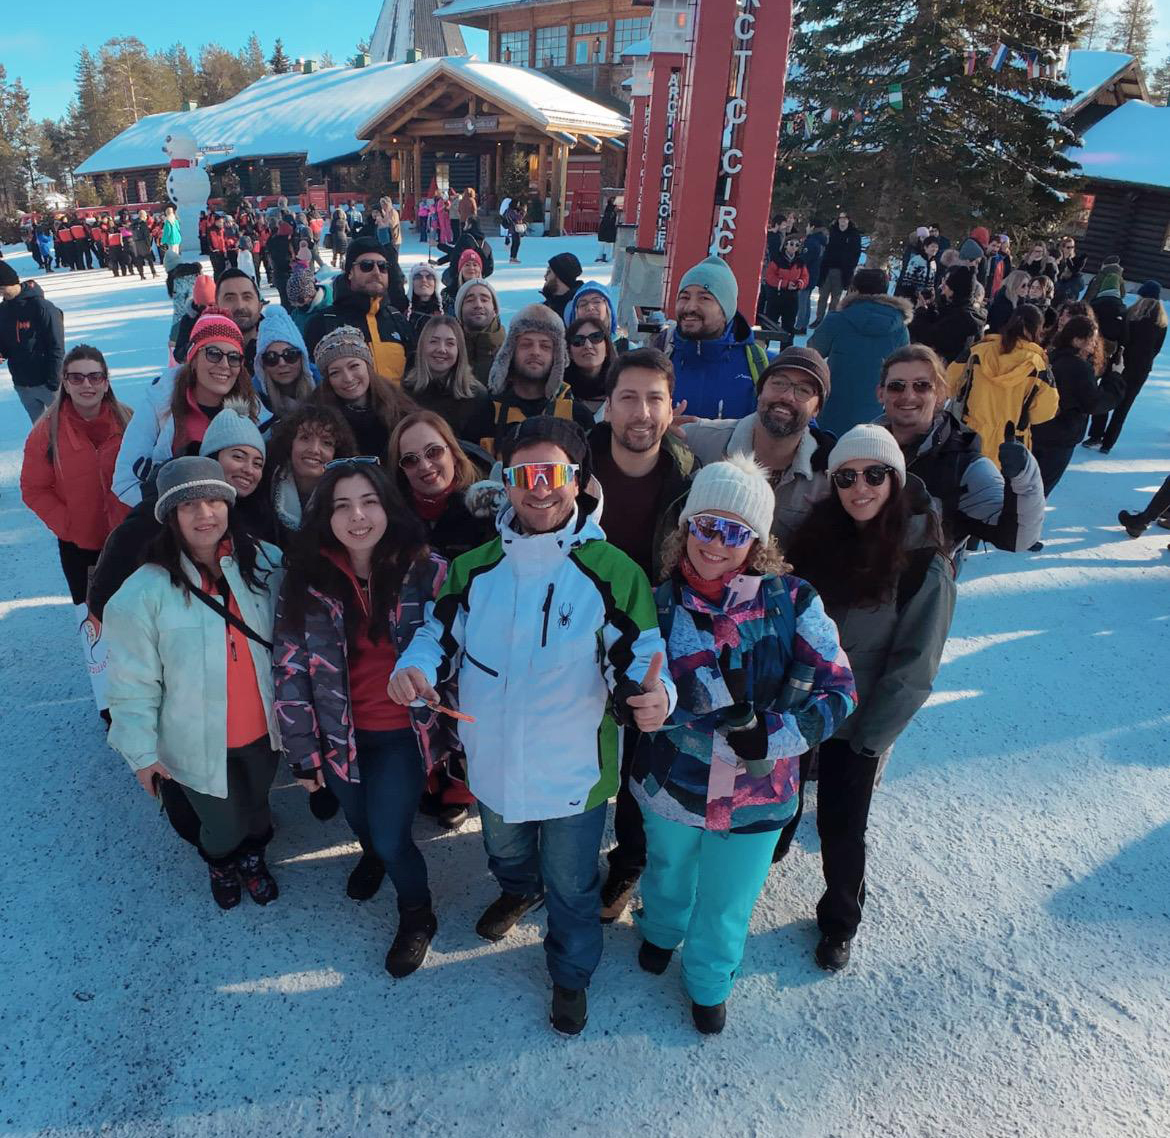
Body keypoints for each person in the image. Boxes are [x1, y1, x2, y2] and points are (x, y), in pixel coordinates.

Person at [388, 415, 674, 1035]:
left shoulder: (612, 570)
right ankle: (520, 889)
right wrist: (416, 667)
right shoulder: (474, 568)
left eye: (553, 473)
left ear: (578, 481)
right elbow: (437, 634)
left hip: (574, 773)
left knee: (572, 884)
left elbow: (642, 657)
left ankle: (570, 974)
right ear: (505, 483)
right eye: (523, 475)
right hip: (493, 763)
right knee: (506, 853)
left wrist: (655, 696)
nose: (538, 489)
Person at [631, 454, 856, 1032]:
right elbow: (628, 678)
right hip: (672, 783)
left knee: (729, 899)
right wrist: (637, 702)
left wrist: (773, 736)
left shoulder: (794, 602)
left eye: (734, 532)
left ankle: (709, 979)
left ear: (756, 541)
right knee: (667, 870)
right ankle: (661, 929)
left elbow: (840, 690)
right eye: (706, 525)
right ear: (686, 526)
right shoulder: (656, 603)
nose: (716, 543)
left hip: (759, 792)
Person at [780, 425, 955, 971]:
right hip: (801, 706)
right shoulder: (816, 537)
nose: (860, 488)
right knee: (778, 800)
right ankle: (763, 860)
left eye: (874, 475)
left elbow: (915, 668)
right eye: (847, 477)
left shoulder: (923, 561)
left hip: (857, 720)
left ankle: (840, 919)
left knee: (841, 823)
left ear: (895, 479)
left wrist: (871, 739)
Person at [273, 459, 456, 974]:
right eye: (342, 505)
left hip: (402, 733)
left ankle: (417, 913)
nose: (357, 516)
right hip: (338, 735)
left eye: (369, 501)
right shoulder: (305, 581)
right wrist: (303, 753)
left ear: (388, 507)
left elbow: (455, 649)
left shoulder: (428, 571)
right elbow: (290, 670)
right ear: (324, 517)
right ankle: (371, 853)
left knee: (394, 835)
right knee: (360, 820)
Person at [105, 457, 283, 909]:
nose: (205, 514)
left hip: (263, 731)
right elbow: (131, 682)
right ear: (170, 516)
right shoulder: (143, 593)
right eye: (189, 505)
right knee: (223, 826)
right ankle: (221, 862)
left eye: (213, 501)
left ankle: (253, 859)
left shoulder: (267, 563)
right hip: (195, 743)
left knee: (258, 811)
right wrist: (141, 753)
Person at [588, 349, 696, 921]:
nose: (642, 412)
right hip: (578, 625)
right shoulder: (576, 463)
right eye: (628, 397)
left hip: (651, 631)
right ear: (608, 406)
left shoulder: (688, 477)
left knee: (640, 749)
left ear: (672, 408)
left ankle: (628, 860)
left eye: (655, 398)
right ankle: (560, 852)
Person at [874, 344, 1045, 561]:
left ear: (939, 393)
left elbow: (1015, 538)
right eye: (897, 386)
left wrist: (1024, 478)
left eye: (922, 386)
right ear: (881, 393)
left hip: (920, 581)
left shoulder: (965, 466)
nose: (908, 395)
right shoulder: (860, 446)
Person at [684, 346, 835, 545]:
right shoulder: (699, 440)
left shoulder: (830, 475)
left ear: (817, 409)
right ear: (760, 391)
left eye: (803, 390)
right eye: (778, 383)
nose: (787, 396)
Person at [20, 346, 132, 604]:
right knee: (91, 615)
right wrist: (68, 524)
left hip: (128, 537)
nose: (87, 385)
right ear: (66, 384)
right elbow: (33, 488)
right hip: (79, 545)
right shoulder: (46, 432)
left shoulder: (129, 421)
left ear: (106, 383)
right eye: (77, 378)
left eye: (95, 377)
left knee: (134, 611)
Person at [114, 309, 256, 505]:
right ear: (193, 358)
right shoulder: (160, 403)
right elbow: (125, 482)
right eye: (213, 354)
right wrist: (173, 510)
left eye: (234, 357)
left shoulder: (254, 412)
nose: (224, 364)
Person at [653, 255, 769, 420]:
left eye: (704, 298)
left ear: (726, 310)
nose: (690, 307)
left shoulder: (759, 365)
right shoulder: (659, 355)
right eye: (684, 297)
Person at [952, 305, 1059, 468]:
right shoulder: (1039, 367)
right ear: (1038, 329)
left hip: (970, 435)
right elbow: (1045, 412)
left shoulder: (978, 351)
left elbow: (950, 382)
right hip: (1010, 443)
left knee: (966, 478)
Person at [809, 267, 911, 436]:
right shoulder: (899, 328)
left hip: (832, 405)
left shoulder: (837, 320)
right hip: (874, 410)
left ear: (854, 290)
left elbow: (812, 353)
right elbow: (905, 369)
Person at [1030, 316, 1123, 495]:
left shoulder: (1052, 356)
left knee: (1025, 486)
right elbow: (1094, 403)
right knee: (1039, 491)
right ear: (1077, 340)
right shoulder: (1078, 368)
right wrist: (1115, 378)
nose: (1094, 345)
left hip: (1037, 430)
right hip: (1060, 437)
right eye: (1091, 340)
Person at [484, 304, 594, 453]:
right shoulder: (487, 411)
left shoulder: (577, 415)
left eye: (545, 346)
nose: (535, 352)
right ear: (510, 352)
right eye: (526, 344)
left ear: (557, 356)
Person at [304, 238, 413, 380]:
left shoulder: (397, 319)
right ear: (349, 272)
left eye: (382, 266)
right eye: (366, 266)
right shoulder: (323, 322)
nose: (376, 272)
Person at [1084, 282, 1168, 454]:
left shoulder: (1130, 315)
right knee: (1123, 408)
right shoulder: (1161, 322)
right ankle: (1108, 444)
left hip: (1120, 363)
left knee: (1105, 396)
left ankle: (1096, 436)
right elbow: (1157, 348)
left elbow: (1122, 339)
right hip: (1141, 369)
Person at [311, 325, 417, 458]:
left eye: (354, 366)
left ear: (367, 366)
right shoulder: (318, 418)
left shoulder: (400, 408)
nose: (348, 378)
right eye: (335, 373)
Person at [266, 404, 357, 541]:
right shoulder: (265, 484)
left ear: (336, 453)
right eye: (305, 438)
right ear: (290, 443)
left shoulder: (346, 496)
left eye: (326, 443)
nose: (314, 449)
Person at [400, 314, 493, 443]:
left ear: (459, 350)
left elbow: (482, 450)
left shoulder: (478, 397)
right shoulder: (404, 393)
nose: (441, 349)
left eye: (450, 343)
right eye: (434, 341)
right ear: (422, 347)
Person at [0, 261, 65, 424]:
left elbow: (56, 346)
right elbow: (5, 344)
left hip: (47, 383)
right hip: (22, 384)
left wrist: (53, 381)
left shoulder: (41, 307)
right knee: (40, 431)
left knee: (64, 428)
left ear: (10, 282)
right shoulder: (3, 309)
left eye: (1, 287)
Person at [908, 265, 985, 371]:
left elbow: (928, 337)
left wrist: (920, 311)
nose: (942, 287)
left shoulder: (961, 318)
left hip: (947, 372)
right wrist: (931, 307)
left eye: (946, 285)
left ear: (954, 290)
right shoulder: (964, 311)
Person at [251, 305, 317, 423]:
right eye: (271, 357)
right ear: (262, 365)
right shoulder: (253, 404)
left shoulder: (325, 392)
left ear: (302, 358)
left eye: (290, 355)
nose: (282, 363)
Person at [812, 210, 863, 326]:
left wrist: (850, 266)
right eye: (841, 219)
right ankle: (819, 319)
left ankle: (830, 320)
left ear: (848, 221)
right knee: (823, 296)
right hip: (827, 269)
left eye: (845, 219)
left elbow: (856, 253)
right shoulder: (831, 232)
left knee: (836, 297)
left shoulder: (854, 235)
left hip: (842, 271)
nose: (842, 221)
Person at [563, 316, 617, 413]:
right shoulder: (559, 391)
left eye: (596, 337)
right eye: (578, 340)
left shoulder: (622, 386)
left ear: (607, 348)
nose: (588, 346)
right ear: (569, 352)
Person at [764, 233, 810, 334]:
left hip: (791, 298)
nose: (794, 247)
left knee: (788, 328)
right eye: (791, 244)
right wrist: (785, 284)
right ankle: (764, 343)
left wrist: (799, 284)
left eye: (797, 245)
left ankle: (787, 344)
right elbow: (769, 277)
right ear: (786, 245)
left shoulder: (800, 262)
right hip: (776, 297)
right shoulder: (777, 259)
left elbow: (805, 277)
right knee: (769, 326)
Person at [795, 219, 828, 333]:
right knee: (806, 300)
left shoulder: (812, 242)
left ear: (812, 227)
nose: (806, 228)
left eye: (808, 226)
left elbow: (805, 258)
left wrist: (797, 261)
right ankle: (803, 323)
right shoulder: (821, 241)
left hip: (806, 273)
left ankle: (800, 326)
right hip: (814, 273)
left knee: (802, 300)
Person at [987, 269, 1032, 334]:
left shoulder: (1021, 300)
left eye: (1028, 285)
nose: (1026, 288)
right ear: (1014, 284)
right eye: (1023, 285)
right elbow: (998, 326)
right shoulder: (1003, 302)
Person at [542, 253, 583, 321]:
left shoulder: (577, 312)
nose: (545, 276)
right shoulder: (545, 307)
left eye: (549, 272)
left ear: (560, 276)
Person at [406, 263, 442, 338]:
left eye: (429, 277)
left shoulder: (446, 309)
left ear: (435, 283)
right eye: (418, 277)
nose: (424, 280)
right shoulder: (401, 310)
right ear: (412, 283)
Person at [1053, 236, 1086, 304]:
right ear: (1062, 247)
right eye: (1068, 247)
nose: (1070, 249)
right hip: (1058, 285)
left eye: (1072, 247)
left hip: (1070, 288)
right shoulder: (1057, 259)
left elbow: (1076, 272)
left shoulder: (1075, 260)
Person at [130, 211, 158, 279]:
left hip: (136, 244)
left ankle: (141, 275)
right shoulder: (143, 224)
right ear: (143, 216)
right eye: (145, 216)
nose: (146, 217)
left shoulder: (133, 224)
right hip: (144, 243)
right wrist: (149, 245)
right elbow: (146, 235)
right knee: (149, 258)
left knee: (139, 259)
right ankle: (154, 273)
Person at [504, 197, 526, 262]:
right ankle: (513, 257)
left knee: (514, 243)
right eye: (517, 204)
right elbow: (518, 218)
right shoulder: (511, 211)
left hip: (512, 228)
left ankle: (512, 257)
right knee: (517, 243)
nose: (518, 205)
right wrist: (523, 213)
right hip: (514, 228)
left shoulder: (509, 210)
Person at [596, 198, 618, 262]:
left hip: (604, 227)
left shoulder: (607, 208)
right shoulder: (613, 210)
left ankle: (600, 256)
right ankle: (605, 257)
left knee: (602, 243)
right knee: (607, 244)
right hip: (610, 228)